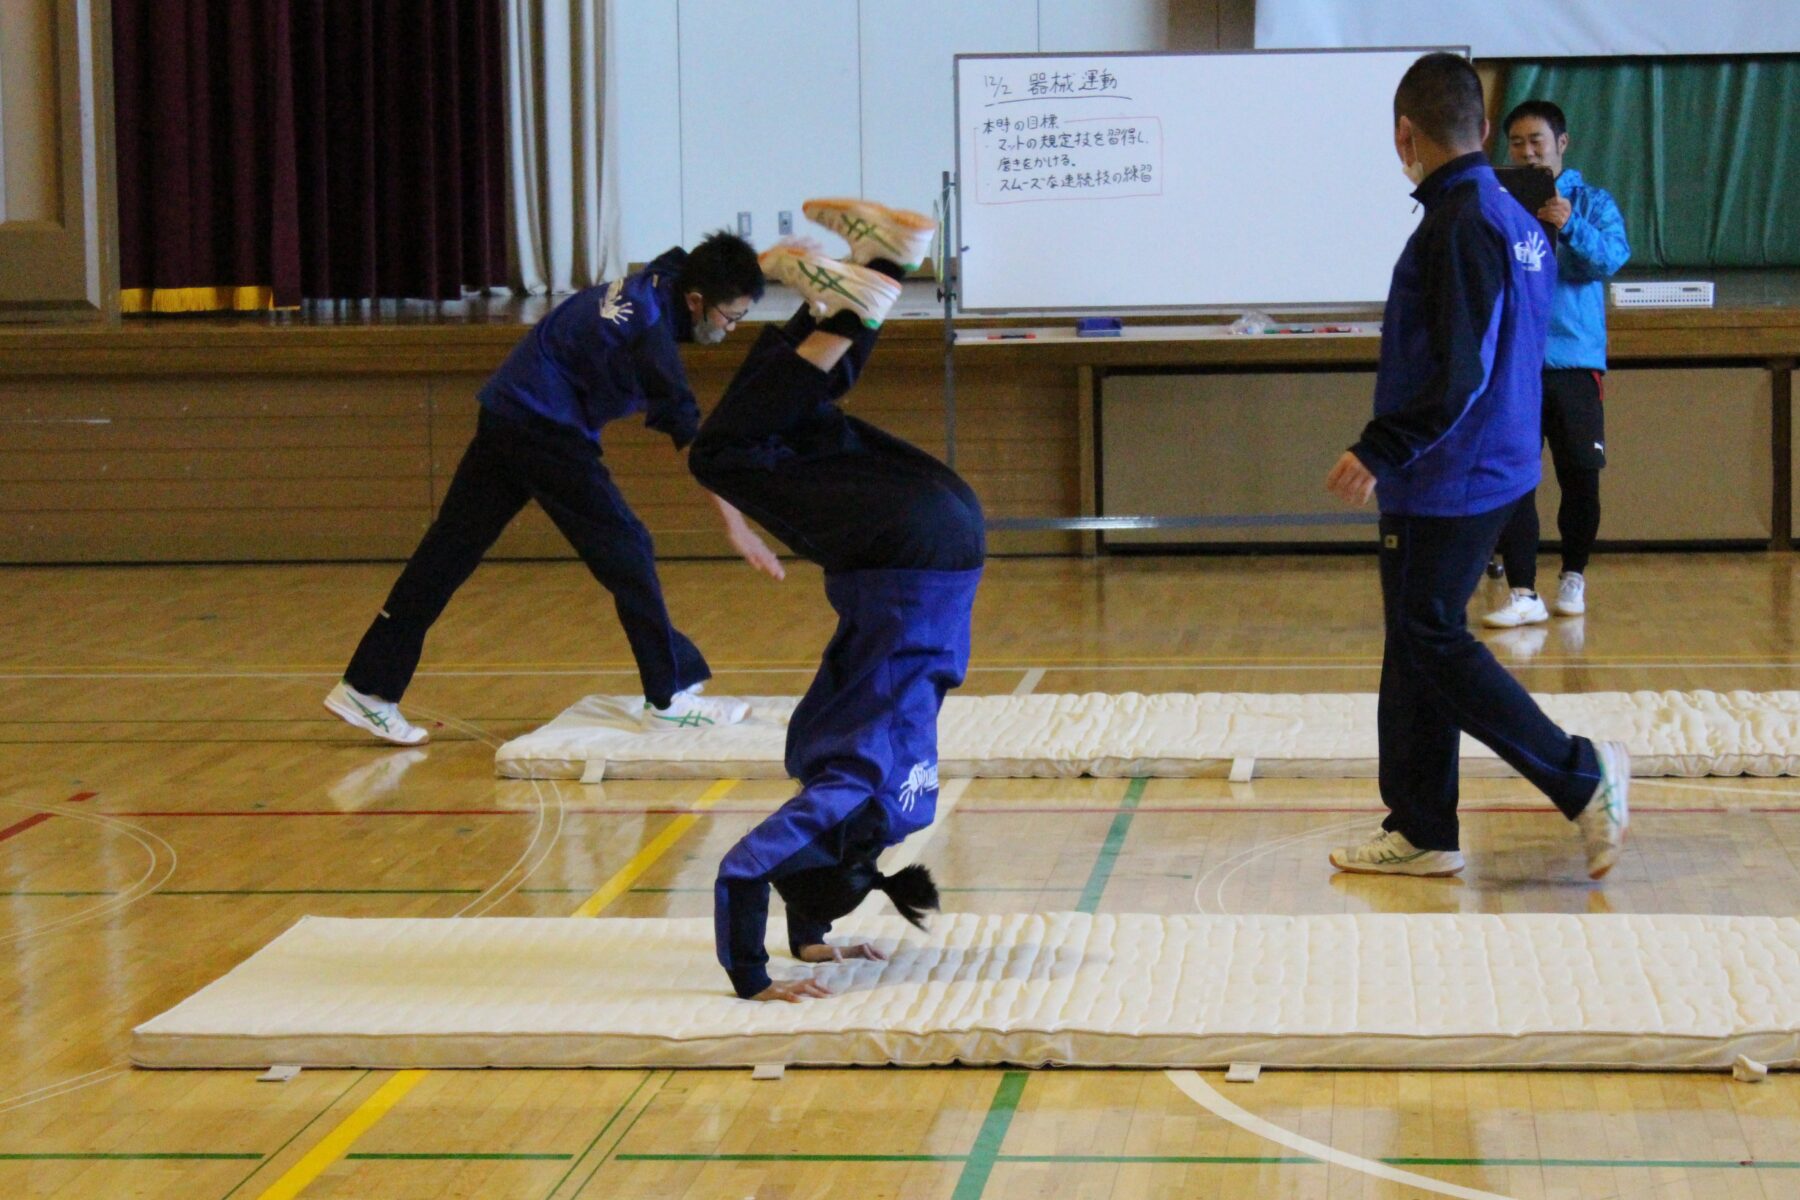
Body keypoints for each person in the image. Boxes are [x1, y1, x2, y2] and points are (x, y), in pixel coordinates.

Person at [1323, 53, 1629, 880]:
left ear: (1404, 136)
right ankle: (1422, 826)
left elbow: (1460, 369)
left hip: (1450, 472)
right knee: (1415, 640)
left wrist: (1380, 447)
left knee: (1428, 636)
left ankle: (1579, 773)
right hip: (1485, 464)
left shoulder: (1460, 222)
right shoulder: (1509, 214)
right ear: (1487, 131)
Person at [690, 198, 984, 1002]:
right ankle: (851, 303)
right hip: (903, 549)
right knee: (721, 455)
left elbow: (824, 856)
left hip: (942, 542)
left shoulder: (897, 810)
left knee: (792, 425)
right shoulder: (850, 787)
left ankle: (877, 267)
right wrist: (753, 980)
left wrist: (814, 938)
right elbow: (744, 868)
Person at [323, 233, 783, 746]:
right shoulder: (649, 338)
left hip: (507, 408)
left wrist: (779, 260)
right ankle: (668, 698)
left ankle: (367, 686)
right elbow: (695, 446)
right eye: (731, 316)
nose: (733, 327)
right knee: (627, 548)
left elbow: (705, 261)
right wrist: (738, 527)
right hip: (544, 428)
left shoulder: (671, 274)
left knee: (449, 550)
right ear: (696, 302)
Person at [1483, 99, 1631, 628]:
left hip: (1574, 361)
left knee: (1580, 477)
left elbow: (1611, 260)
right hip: (1516, 363)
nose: (1526, 152)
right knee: (1515, 478)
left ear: (1561, 143)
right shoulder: (1496, 199)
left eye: (1536, 141)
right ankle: (1523, 590)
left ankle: (1574, 574)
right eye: (1516, 142)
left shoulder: (1592, 201)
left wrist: (1569, 225)